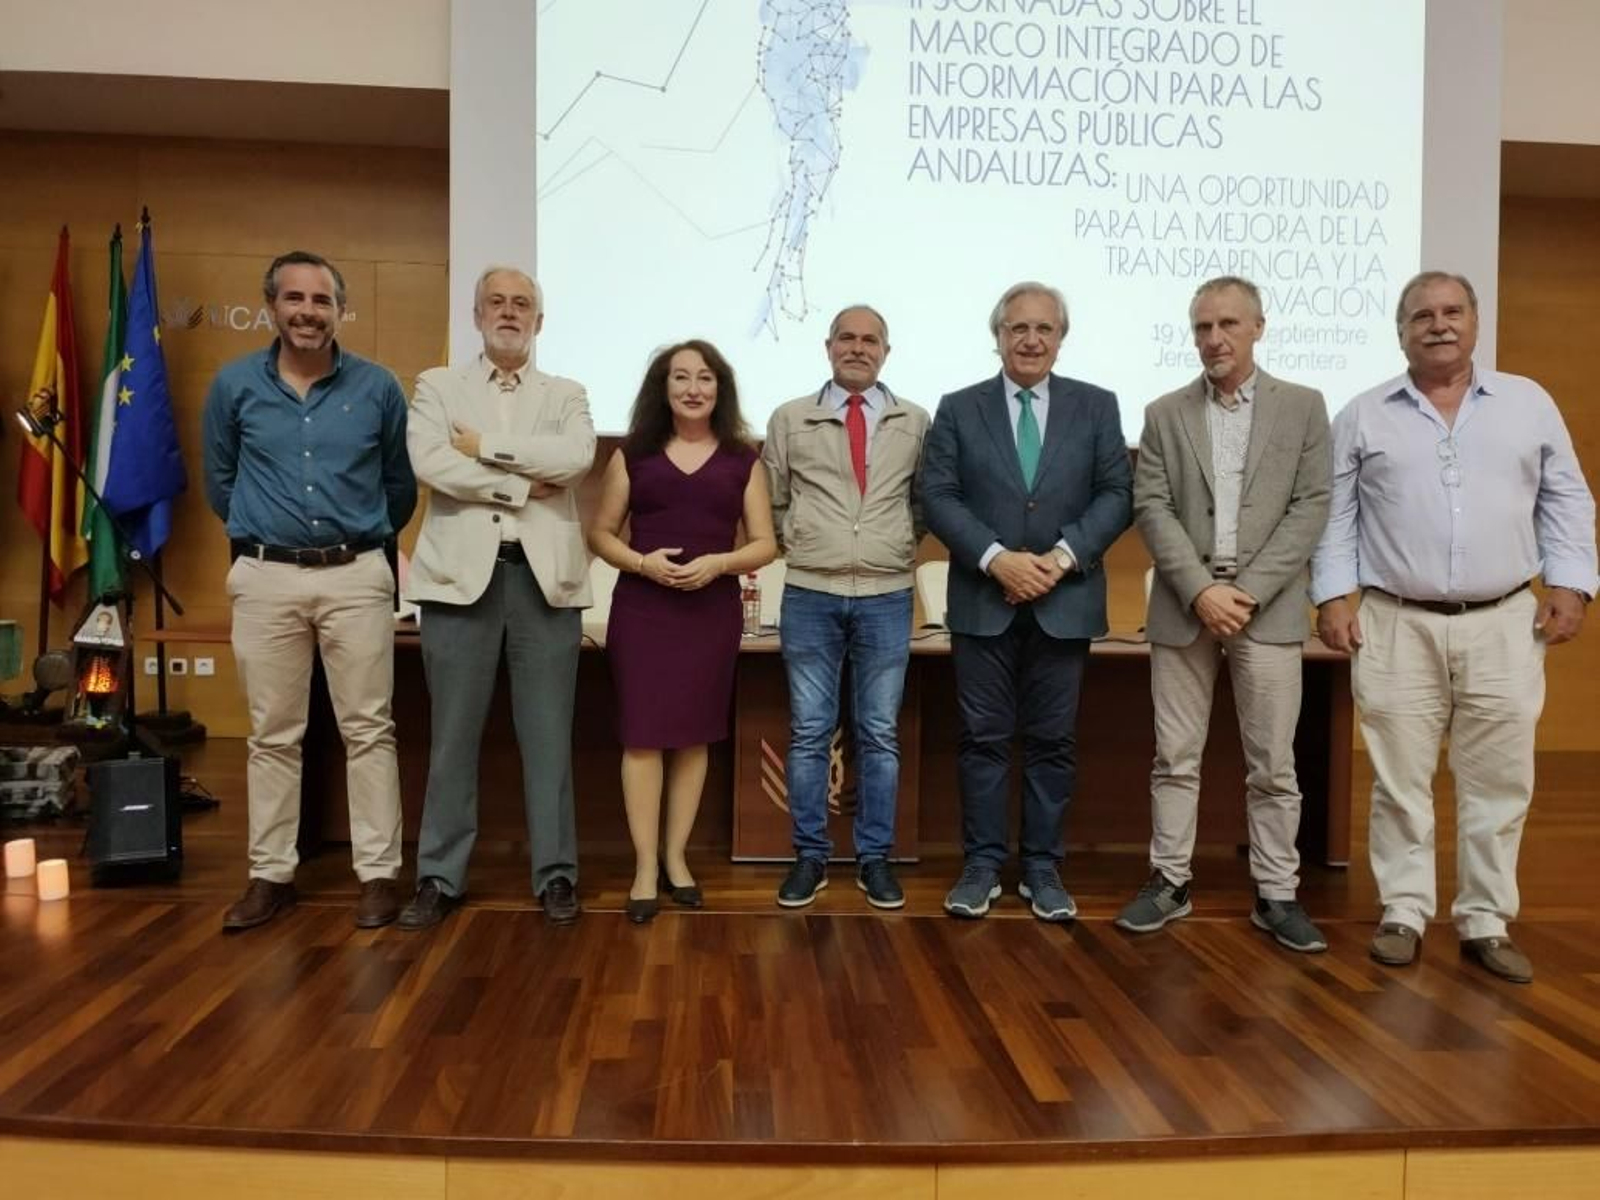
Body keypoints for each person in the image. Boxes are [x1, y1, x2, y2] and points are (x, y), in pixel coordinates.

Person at [1311, 270, 1597, 983]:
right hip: (1394, 621)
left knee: (1500, 780)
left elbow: (1566, 498)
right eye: (1421, 316)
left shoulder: (1528, 403)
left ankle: (1485, 920)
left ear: (1474, 321)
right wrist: (1334, 596)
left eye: (1451, 312)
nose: (1438, 325)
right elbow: (1335, 516)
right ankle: (1404, 912)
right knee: (1399, 779)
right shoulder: (1364, 414)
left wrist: (1573, 583)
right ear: (1400, 331)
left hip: (1505, 621)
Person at [202, 250, 417, 932]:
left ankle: (378, 874)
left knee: (369, 729)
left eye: (321, 301)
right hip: (266, 575)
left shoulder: (378, 387)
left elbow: (399, 486)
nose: (307, 312)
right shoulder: (234, 385)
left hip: (356, 572)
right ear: (272, 306)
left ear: (340, 311)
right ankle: (271, 876)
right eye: (294, 298)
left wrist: (362, 543)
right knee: (272, 734)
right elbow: (220, 482)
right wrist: (270, 532)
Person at [1117, 276, 1331, 952]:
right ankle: (1169, 881)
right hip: (1186, 608)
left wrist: (1250, 590)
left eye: (1228, 324)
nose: (1215, 339)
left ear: (1258, 327)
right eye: (1203, 327)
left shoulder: (1304, 407)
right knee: (1174, 757)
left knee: (1273, 764)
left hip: (1268, 610)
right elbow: (1151, 507)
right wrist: (1201, 590)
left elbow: (1311, 506)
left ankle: (1277, 893)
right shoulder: (1164, 412)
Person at [921, 281, 1133, 921]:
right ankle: (982, 865)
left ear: (1061, 339)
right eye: (1018, 328)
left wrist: (1061, 558)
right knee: (983, 738)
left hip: (1065, 600)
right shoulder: (958, 408)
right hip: (983, 600)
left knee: (1052, 741)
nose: (1031, 340)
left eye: (1045, 329)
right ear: (999, 336)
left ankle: (1042, 868)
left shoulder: (1097, 406)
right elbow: (938, 496)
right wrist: (997, 559)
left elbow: (1117, 494)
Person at [397, 266, 596, 929]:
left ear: (539, 321)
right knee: (451, 739)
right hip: (460, 586)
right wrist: (518, 485)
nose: (510, 312)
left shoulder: (566, 393)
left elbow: (574, 459)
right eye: (497, 303)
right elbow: (432, 463)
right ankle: (439, 877)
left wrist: (483, 447)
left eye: (522, 304)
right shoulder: (438, 386)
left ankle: (557, 873)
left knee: (549, 739)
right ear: (477, 315)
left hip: (544, 584)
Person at [588, 340, 777, 923]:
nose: (693, 388)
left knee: (694, 737)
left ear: (721, 388)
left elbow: (765, 544)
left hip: (710, 612)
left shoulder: (743, 459)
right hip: (643, 610)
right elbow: (600, 534)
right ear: (662, 388)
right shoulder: (633, 455)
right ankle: (645, 866)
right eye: (681, 378)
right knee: (642, 737)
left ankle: (676, 859)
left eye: (705, 378)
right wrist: (642, 563)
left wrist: (720, 563)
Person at [763, 305, 930, 910]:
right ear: (828, 346)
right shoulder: (790, 418)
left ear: (886, 351)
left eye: (870, 340)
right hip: (811, 592)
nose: (858, 348)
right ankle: (809, 856)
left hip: (887, 594)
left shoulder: (915, 421)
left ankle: (874, 859)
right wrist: (807, 542)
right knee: (810, 731)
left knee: (879, 733)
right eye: (847, 339)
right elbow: (774, 500)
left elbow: (923, 503)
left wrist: (896, 546)